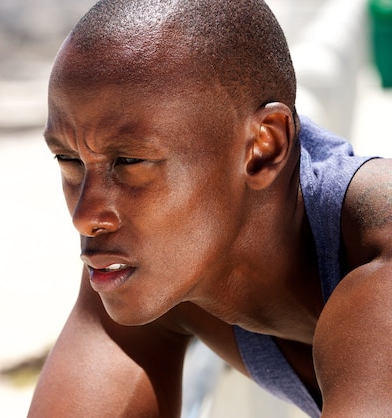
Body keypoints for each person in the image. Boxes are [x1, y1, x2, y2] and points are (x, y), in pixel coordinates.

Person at [28, 0, 392, 417]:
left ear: (262, 148)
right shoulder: (158, 274)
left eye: (129, 162)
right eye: (70, 161)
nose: (86, 215)